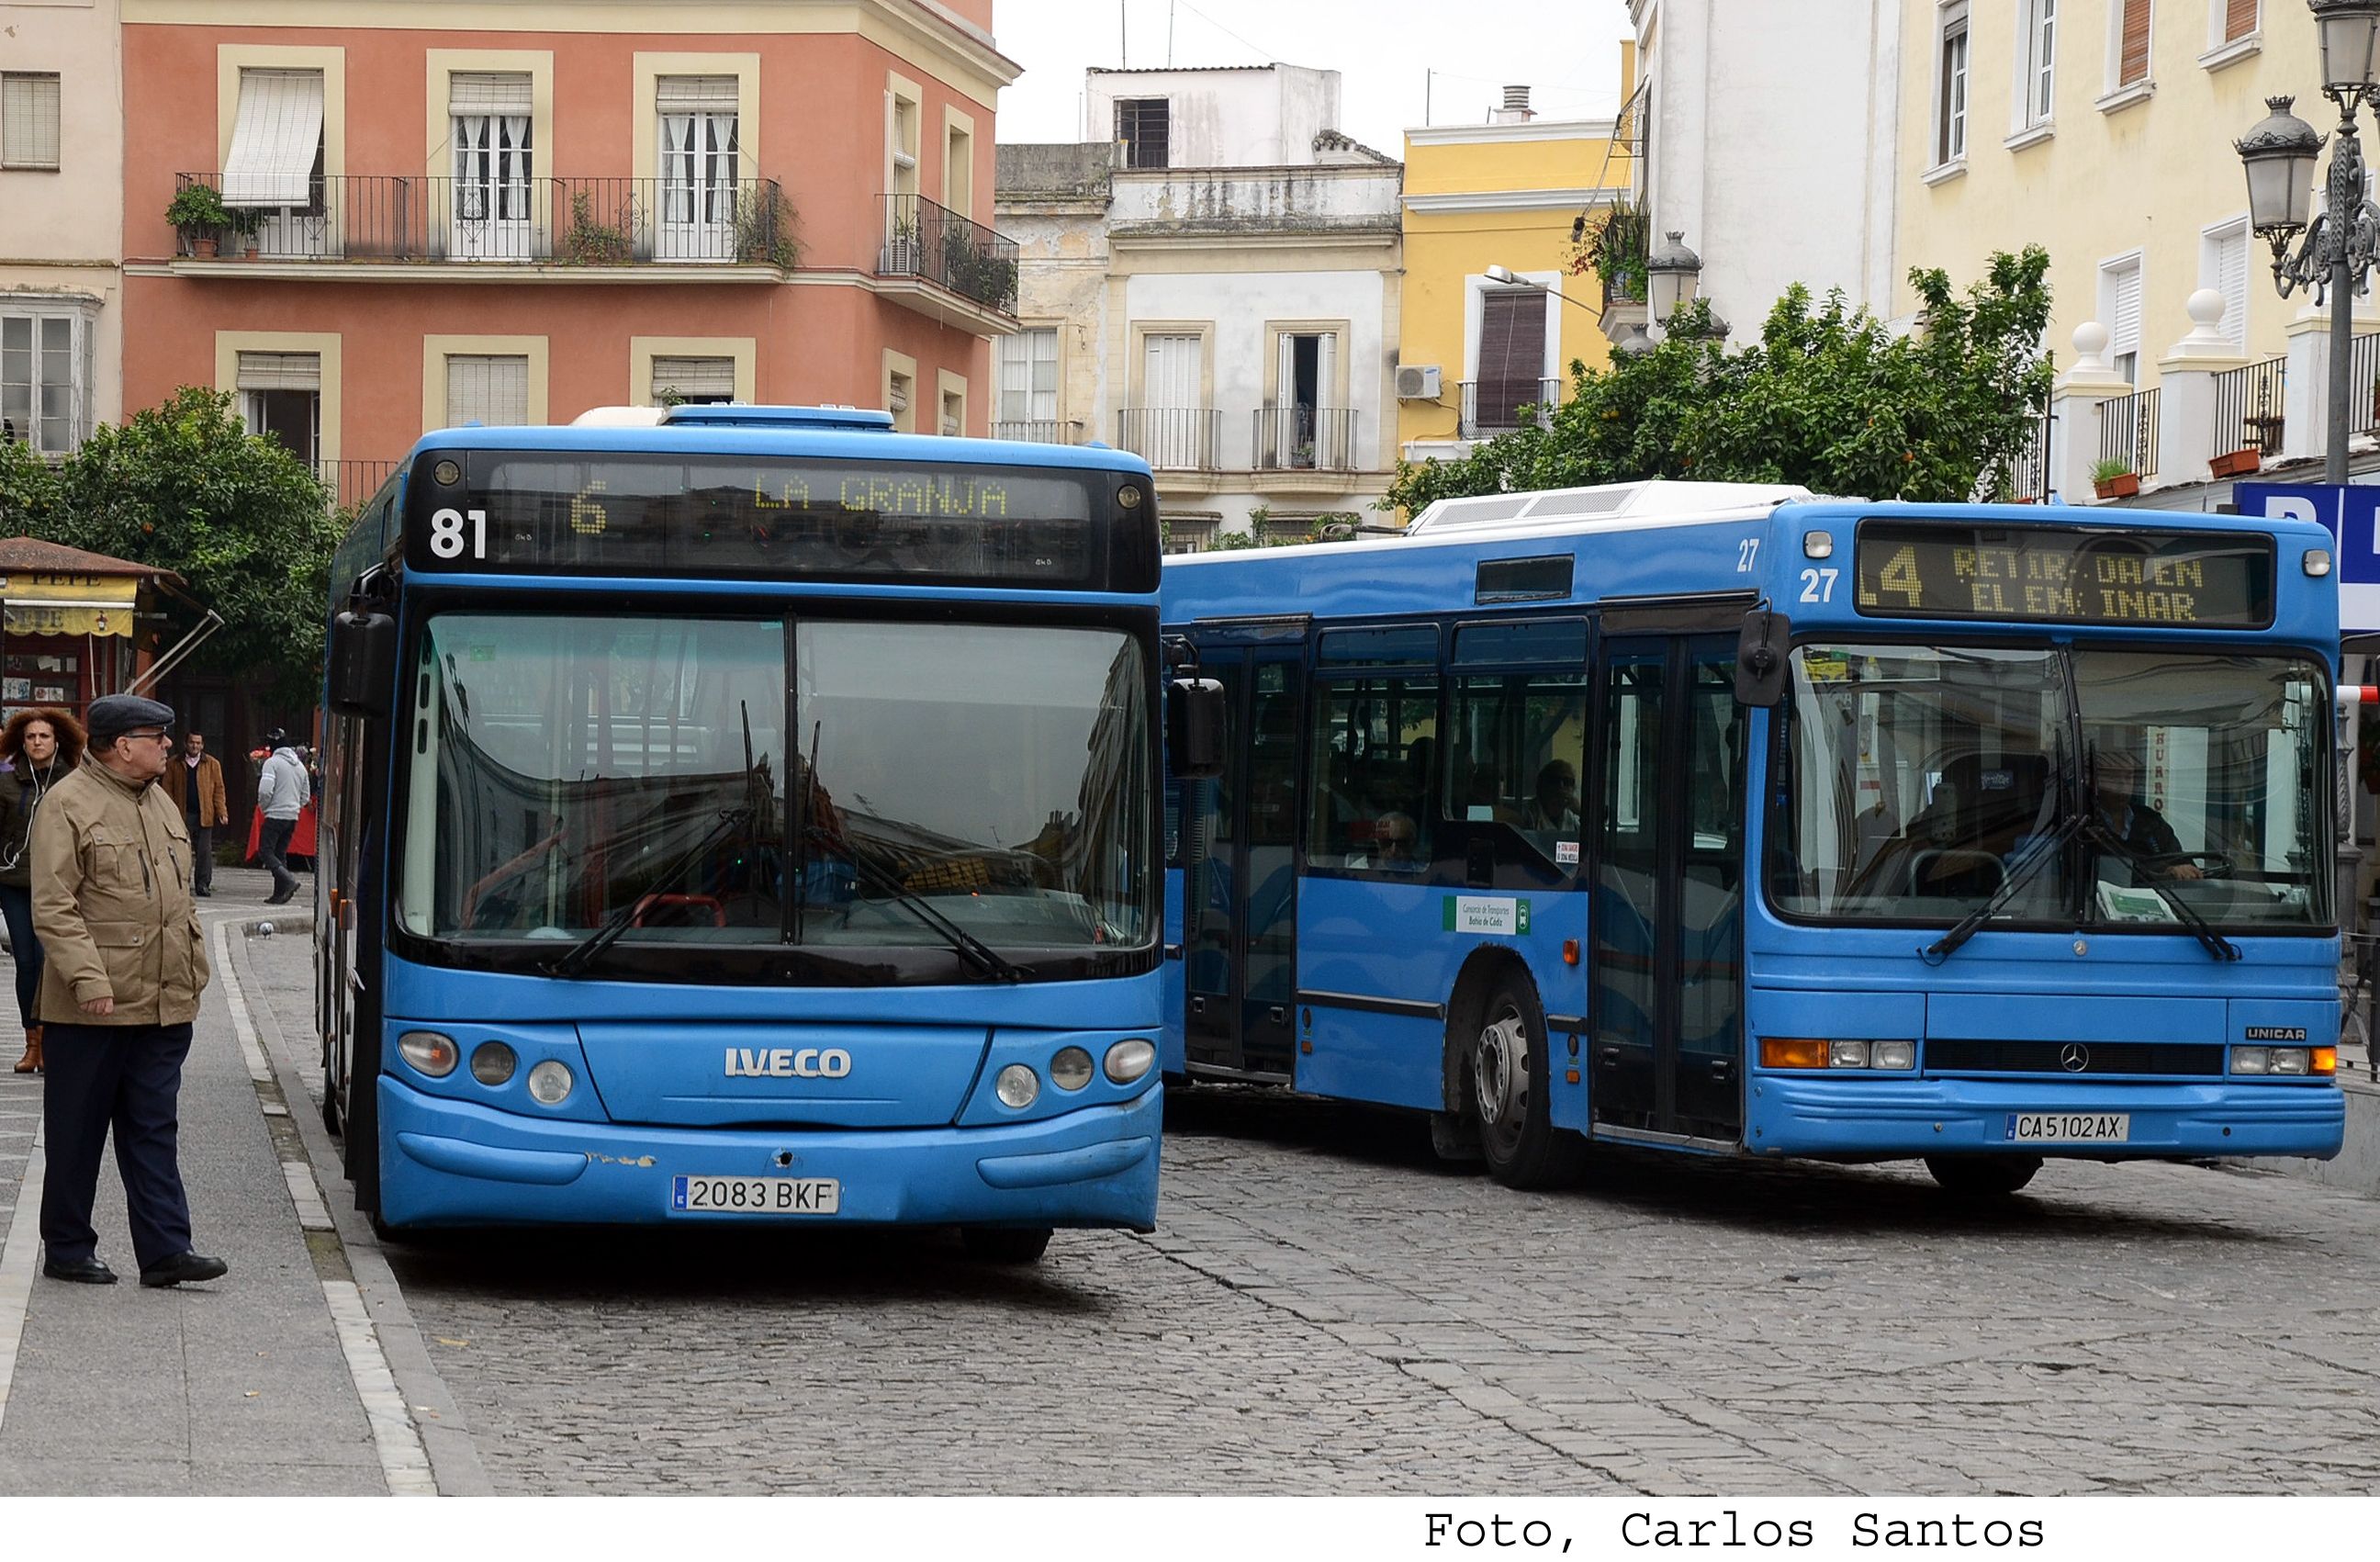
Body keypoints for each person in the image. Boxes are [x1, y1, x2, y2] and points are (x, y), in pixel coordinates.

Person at [32, 693, 226, 1287]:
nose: (168, 746)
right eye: (158, 737)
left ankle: (166, 1248)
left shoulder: (161, 801)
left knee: (153, 1126)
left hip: (164, 1001)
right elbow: (53, 905)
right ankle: (67, 1246)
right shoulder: (67, 804)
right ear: (123, 745)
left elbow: (177, 898)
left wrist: (192, 971)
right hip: (93, 1006)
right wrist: (88, 979)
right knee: (77, 1130)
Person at [1, 707, 85, 1073]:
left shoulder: (75, 781)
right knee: (27, 963)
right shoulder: (5, 780)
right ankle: (31, 1043)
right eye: (31, 736)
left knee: (51, 962)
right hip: (13, 882)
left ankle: (51, 1041)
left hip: (57, 886)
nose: (37, 742)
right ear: (22, 740)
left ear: (57, 741)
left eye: (44, 736)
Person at [2092, 747, 2202, 882]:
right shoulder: (2086, 824)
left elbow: (2183, 864)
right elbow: (2103, 870)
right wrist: (2164, 872)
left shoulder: (2151, 822)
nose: (2122, 786)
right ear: (2096, 781)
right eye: (2113, 778)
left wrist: (2183, 871)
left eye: (2128, 777)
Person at [159, 729, 229, 898]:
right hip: (181, 815)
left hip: (204, 814)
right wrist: (167, 813)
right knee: (180, 851)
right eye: (192, 742)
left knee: (204, 852)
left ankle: (203, 884)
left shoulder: (212, 764)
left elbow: (218, 790)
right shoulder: (174, 763)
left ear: (202, 745)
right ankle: (181, 884)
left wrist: (222, 811)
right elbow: (166, 790)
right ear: (186, 743)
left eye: (198, 743)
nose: (195, 746)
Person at [256, 727, 309, 905]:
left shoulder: (272, 763)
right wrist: (294, 807)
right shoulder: (300, 766)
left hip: (275, 815)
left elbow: (265, 791)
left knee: (265, 851)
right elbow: (306, 795)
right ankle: (280, 893)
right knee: (280, 853)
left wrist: (265, 807)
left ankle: (288, 880)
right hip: (292, 817)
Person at [1526, 759, 1581, 832]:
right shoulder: (1529, 814)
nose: (1561, 787)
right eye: (1555, 781)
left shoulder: (1572, 816)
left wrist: (1580, 812)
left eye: (1567, 782)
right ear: (1543, 784)